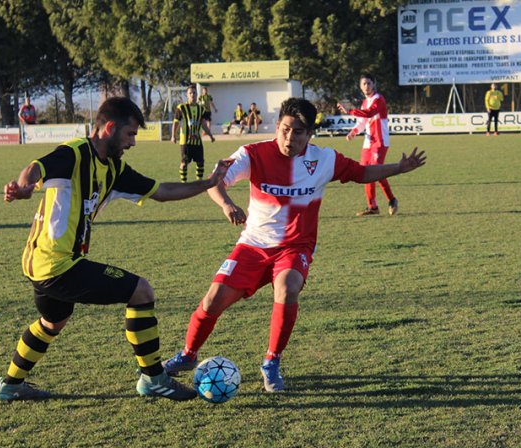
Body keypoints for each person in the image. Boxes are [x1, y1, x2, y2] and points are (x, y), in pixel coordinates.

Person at [160, 98, 426, 392]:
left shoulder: (324, 160)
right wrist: (226, 204)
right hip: (253, 244)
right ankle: (188, 354)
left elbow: (361, 173)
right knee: (213, 299)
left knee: (286, 287)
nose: (289, 138)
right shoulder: (252, 153)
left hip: (295, 247)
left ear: (309, 134)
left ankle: (271, 362)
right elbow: (217, 181)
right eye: (285, 130)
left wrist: (399, 168)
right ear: (277, 126)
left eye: (298, 132)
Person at [0, 97, 233, 402]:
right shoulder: (74, 154)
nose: (133, 142)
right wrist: (24, 188)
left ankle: (11, 386)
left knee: (52, 321)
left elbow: (162, 191)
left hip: (39, 263)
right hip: (57, 264)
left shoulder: (115, 169)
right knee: (141, 291)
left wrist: (209, 182)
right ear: (109, 127)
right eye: (130, 134)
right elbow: (34, 169)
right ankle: (153, 378)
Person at [337, 73, 399, 216]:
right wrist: (353, 131)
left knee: (377, 170)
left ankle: (392, 199)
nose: (366, 86)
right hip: (368, 142)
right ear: (360, 86)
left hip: (380, 141)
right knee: (365, 172)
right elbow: (362, 122)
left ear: (374, 84)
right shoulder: (364, 103)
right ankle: (372, 207)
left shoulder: (379, 99)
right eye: (364, 84)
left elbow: (369, 113)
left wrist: (350, 111)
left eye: (369, 83)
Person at [172, 84, 215, 183]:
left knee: (200, 162)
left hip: (197, 141)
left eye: (194, 93)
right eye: (190, 93)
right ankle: (184, 183)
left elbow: (203, 124)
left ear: (197, 94)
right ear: (187, 95)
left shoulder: (201, 109)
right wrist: (173, 136)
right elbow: (176, 122)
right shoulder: (181, 107)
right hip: (185, 141)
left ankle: (199, 182)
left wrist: (211, 135)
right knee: (184, 163)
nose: (192, 95)